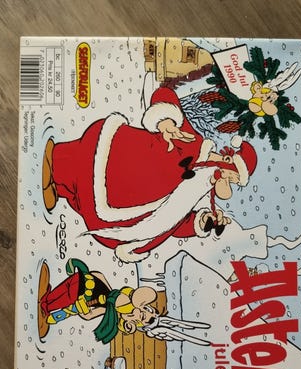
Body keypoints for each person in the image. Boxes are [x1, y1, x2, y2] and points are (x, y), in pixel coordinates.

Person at [43, 87, 257, 263]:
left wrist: (202, 222)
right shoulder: (195, 143)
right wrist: (167, 122)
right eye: (231, 176)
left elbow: (175, 223)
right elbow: (164, 94)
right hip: (126, 159)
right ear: (227, 159)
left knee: (87, 196)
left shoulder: (202, 193)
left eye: (233, 182)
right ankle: (56, 162)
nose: (226, 183)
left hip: (126, 203)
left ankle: (60, 189)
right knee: (89, 163)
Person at [38, 259, 161, 342]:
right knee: (64, 289)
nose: (141, 312)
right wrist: (94, 275)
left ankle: (47, 306)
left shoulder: (111, 309)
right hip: (86, 280)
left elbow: (90, 315)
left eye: (142, 316)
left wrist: (83, 310)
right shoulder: (125, 300)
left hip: (82, 293)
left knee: (66, 298)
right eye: (145, 309)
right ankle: (47, 300)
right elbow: (101, 278)